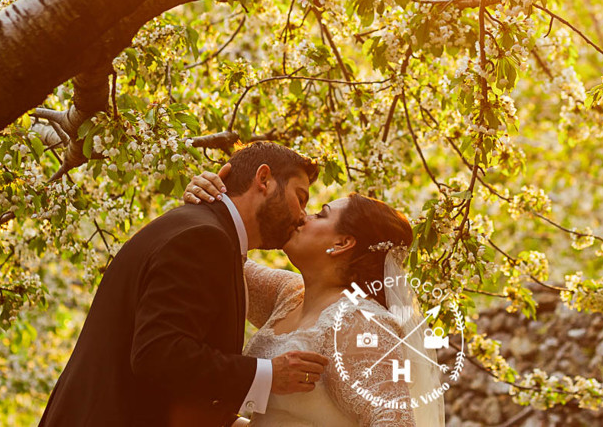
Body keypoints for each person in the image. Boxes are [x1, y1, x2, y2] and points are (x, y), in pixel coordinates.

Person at [38, 142, 329, 427]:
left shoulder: (200, 229)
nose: (302, 214)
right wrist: (267, 375)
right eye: (300, 197)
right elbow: (158, 354)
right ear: (263, 179)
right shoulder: (203, 238)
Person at [185, 172, 445, 427]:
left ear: (342, 243)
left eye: (320, 215)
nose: (302, 217)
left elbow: (396, 422)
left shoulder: (360, 321)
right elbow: (221, 255)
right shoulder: (289, 293)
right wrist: (208, 203)